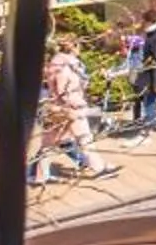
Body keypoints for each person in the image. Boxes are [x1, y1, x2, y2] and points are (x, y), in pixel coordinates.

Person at [30, 36, 116, 186]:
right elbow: (64, 91)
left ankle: (39, 176)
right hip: (69, 108)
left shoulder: (61, 64)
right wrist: (74, 105)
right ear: (73, 47)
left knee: (49, 143)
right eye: (79, 47)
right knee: (84, 138)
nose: (80, 50)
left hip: (56, 108)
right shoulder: (65, 68)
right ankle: (99, 168)